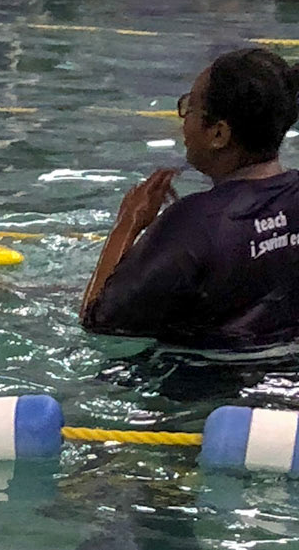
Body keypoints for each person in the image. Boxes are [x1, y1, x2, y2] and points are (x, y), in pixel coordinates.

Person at [81, 49, 299, 354]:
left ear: (219, 134)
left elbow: (98, 323)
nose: (183, 122)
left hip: (204, 378)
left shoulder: (192, 225)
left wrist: (127, 223)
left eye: (190, 108)